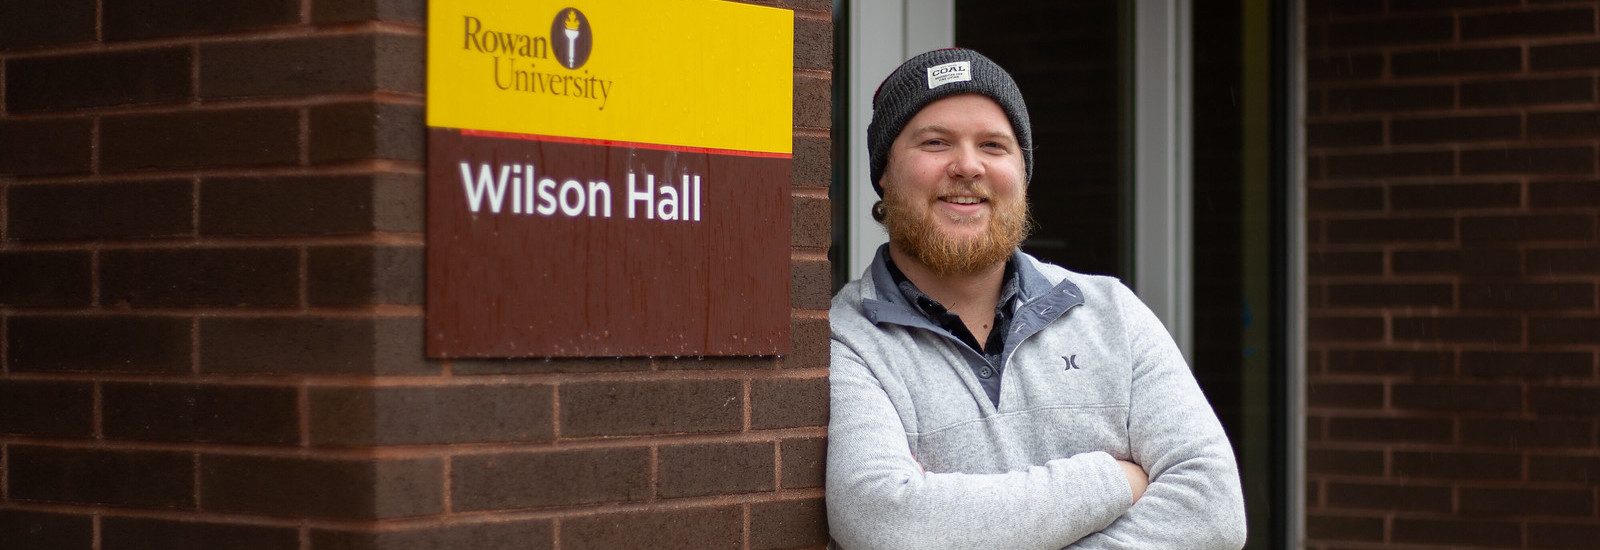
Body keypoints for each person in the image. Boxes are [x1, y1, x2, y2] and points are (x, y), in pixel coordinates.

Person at [826, 48, 1247, 549]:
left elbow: (1214, 510)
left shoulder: (1111, 313)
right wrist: (1112, 481)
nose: (968, 165)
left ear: (1023, 172)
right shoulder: (848, 338)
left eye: (993, 145)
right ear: (884, 174)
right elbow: (885, 524)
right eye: (936, 143)